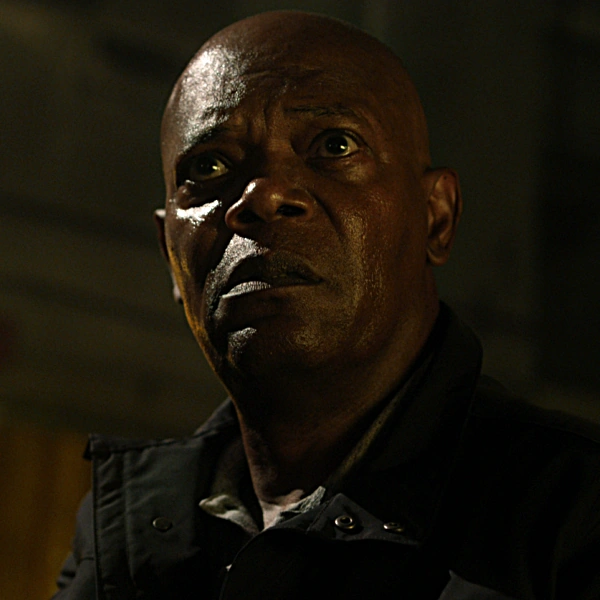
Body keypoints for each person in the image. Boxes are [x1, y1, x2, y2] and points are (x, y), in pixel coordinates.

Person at [53, 11, 600, 600]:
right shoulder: (121, 539)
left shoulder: (577, 515)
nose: (262, 195)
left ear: (436, 218)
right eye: (209, 166)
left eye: (334, 145)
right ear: (170, 256)